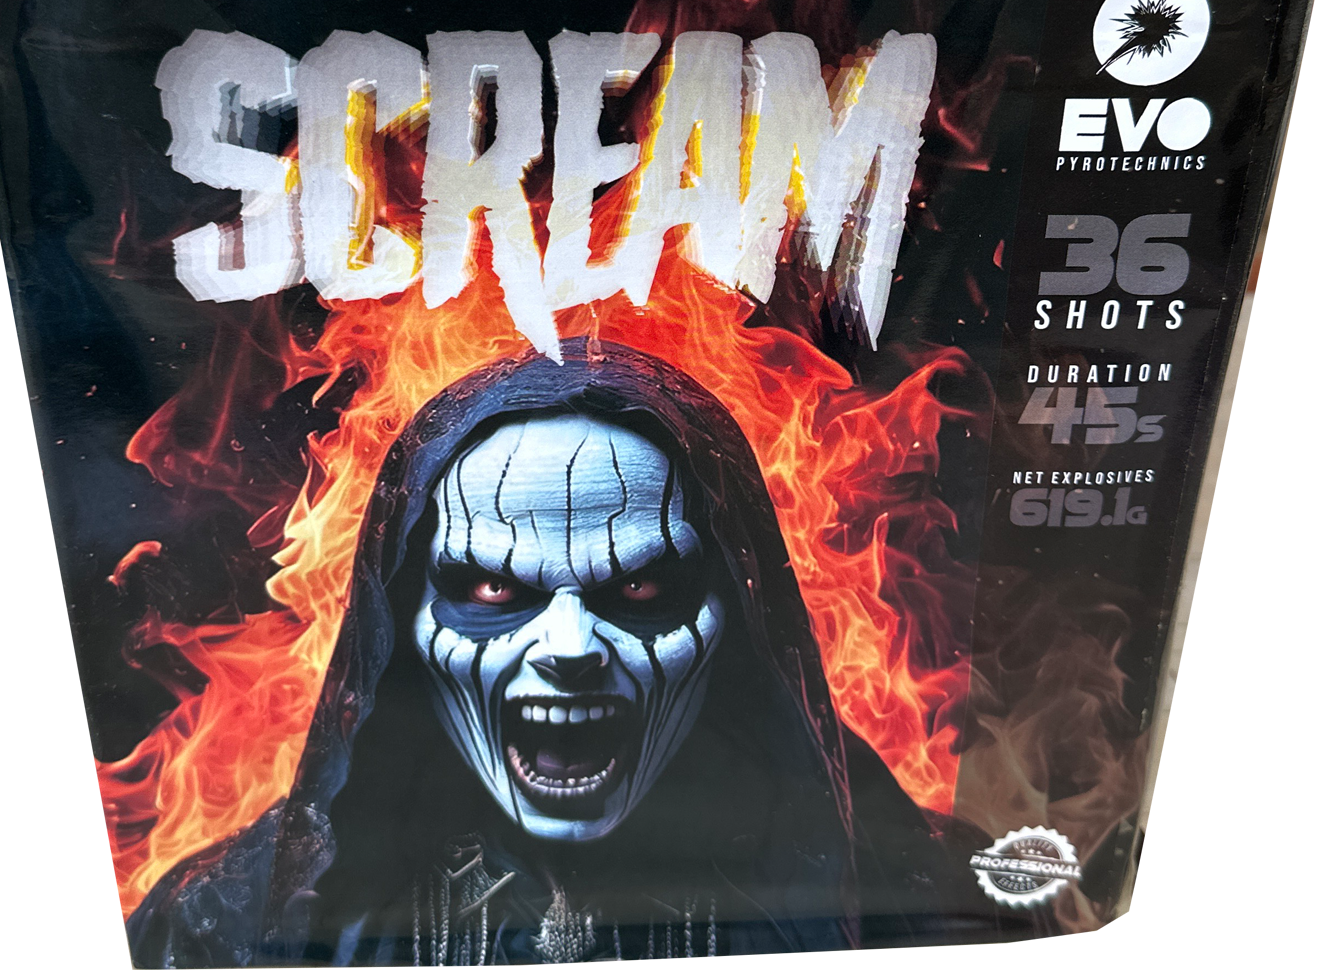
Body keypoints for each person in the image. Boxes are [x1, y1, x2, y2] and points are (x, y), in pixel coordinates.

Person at [129, 341, 970, 968]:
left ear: (737, 620)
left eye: (639, 587)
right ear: (400, 625)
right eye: (494, 589)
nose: (570, 648)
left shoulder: (924, 892)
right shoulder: (221, 926)